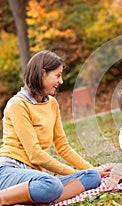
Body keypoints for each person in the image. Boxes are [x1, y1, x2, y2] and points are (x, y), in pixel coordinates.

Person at [0, 50, 111, 205]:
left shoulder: (51, 103)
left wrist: (91, 170)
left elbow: (63, 147)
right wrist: (76, 173)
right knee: (51, 184)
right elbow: (35, 155)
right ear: (42, 74)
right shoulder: (17, 104)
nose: (61, 81)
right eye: (58, 75)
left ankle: (35, 199)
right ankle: (4, 198)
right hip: (7, 170)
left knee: (92, 177)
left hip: (32, 176)